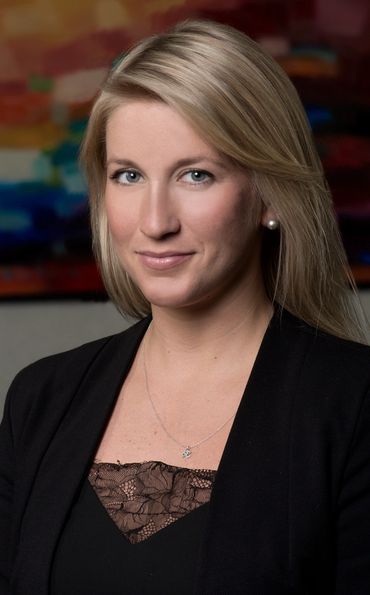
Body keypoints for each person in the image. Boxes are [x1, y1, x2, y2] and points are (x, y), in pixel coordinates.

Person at [0, 19, 369, 595]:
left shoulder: (354, 406)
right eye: (128, 175)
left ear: (268, 192)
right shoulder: (39, 400)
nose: (154, 222)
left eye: (195, 175)